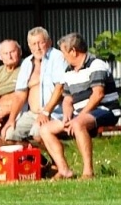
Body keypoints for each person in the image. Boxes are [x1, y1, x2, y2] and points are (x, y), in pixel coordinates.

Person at [39, 33, 117, 180]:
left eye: (64, 52)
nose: (63, 57)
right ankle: (64, 170)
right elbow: (67, 99)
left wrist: (79, 117)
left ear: (73, 51)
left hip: (105, 110)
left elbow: (98, 94)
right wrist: (67, 114)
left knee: (77, 124)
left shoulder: (96, 64)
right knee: (45, 129)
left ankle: (88, 172)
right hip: (80, 114)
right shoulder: (69, 71)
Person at [13, 26, 68, 145]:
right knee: (10, 135)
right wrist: (11, 120)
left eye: (41, 43)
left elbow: (60, 88)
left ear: (49, 42)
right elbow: (19, 94)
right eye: (33, 44)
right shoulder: (27, 63)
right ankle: (41, 162)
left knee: (37, 134)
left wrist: (46, 112)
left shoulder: (57, 57)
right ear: (29, 46)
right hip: (31, 113)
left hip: (53, 111)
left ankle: (59, 156)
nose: (37, 47)